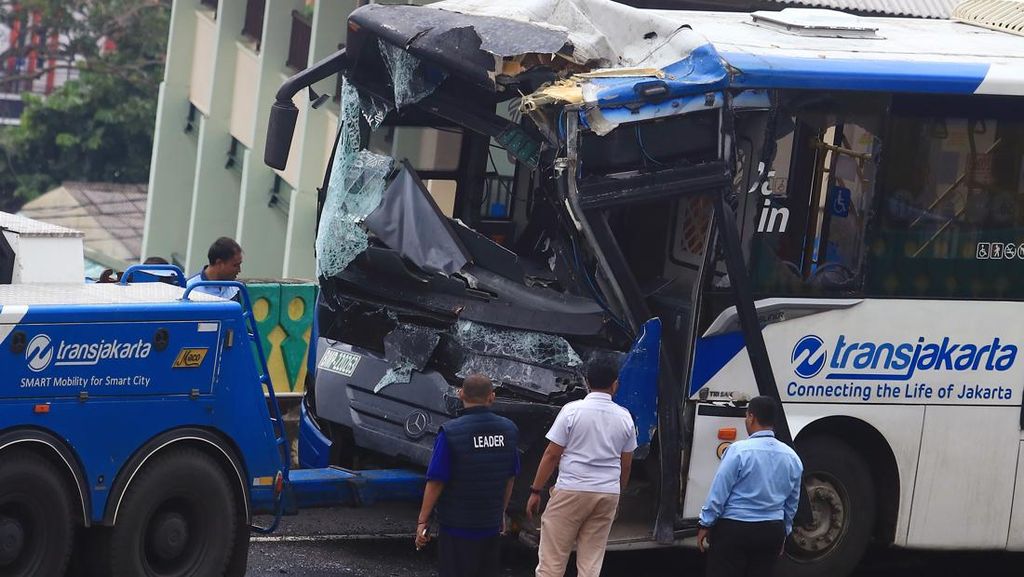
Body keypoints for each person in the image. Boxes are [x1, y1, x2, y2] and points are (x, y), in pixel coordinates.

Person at [527, 354, 637, 577]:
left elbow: (551, 454)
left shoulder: (572, 411)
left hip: (572, 490)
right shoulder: (625, 417)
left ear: (587, 382)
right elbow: (626, 465)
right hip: (607, 494)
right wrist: (618, 491)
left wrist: (536, 490)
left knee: (552, 562)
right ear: (615, 384)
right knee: (590, 564)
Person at [414, 374, 520, 577]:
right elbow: (510, 476)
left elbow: (436, 480)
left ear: (460, 394)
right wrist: (500, 512)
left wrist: (422, 521)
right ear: (492, 397)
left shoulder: (451, 432)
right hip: (489, 525)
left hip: (456, 527)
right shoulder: (509, 430)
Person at [697, 395, 803, 577]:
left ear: (751, 417)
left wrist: (705, 523)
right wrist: (784, 531)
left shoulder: (738, 451)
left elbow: (719, 491)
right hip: (771, 531)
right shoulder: (792, 457)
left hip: (734, 529)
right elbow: (792, 502)